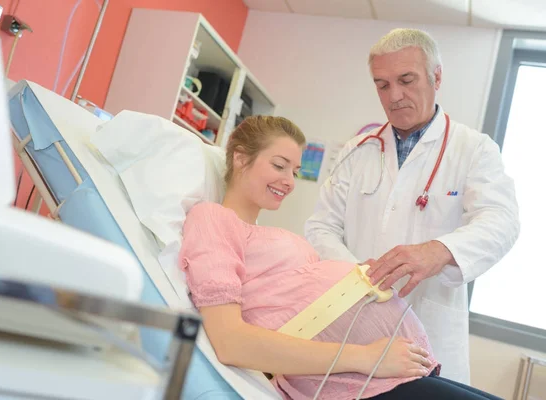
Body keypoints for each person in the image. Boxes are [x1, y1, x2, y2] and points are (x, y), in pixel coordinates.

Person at [179, 115, 503, 399]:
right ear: (239, 158)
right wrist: (365, 357)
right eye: (279, 166)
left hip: (384, 371)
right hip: (353, 378)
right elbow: (230, 340)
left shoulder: (266, 233)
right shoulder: (212, 218)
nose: (289, 181)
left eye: (294, 170)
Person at [304, 28, 520, 385]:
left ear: (436, 77)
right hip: (352, 321)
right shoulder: (358, 149)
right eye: (382, 84)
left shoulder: (473, 150)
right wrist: (357, 275)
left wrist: (439, 251)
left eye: (406, 80)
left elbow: (502, 221)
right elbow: (321, 226)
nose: (395, 95)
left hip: (426, 329)